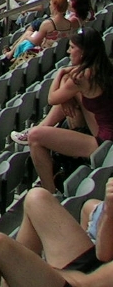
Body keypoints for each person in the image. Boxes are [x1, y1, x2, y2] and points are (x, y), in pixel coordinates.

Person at [0, 179, 113, 287]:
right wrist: (109, 210)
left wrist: (37, 269)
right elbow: (104, 254)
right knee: (37, 198)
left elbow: (87, 284)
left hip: (88, 283)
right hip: (95, 270)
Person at [19, 28, 113, 193]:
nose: (68, 51)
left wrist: (61, 73)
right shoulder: (105, 66)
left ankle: (50, 192)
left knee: (36, 136)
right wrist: (67, 98)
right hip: (107, 133)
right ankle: (41, 126)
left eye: (72, 47)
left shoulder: (82, 76)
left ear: (83, 52)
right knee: (69, 97)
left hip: (104, 142)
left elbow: (52, 98)